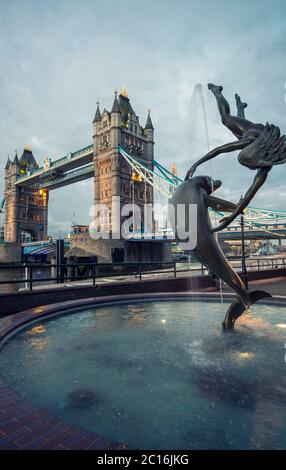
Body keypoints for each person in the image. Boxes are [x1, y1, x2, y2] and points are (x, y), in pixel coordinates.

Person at [185, 83, 286, 232]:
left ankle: (240, 107)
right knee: (226, 119)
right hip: (254, 131)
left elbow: (248, 196)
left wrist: (231, 218)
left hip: (259, 136)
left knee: (237, 133)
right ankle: (216, 90)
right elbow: (221, 149)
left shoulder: (265, 167)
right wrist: (196, 164)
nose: (251, 168)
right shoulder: (250, 140)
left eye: (250, 166)